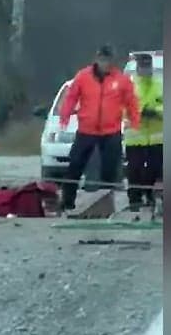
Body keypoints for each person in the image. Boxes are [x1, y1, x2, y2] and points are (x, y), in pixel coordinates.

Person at [56, 44, 141, 212]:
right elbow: (71, 97)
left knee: (109, 170)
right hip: (86, 130)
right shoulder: (83, 76)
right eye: (102, 59)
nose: (104, 63)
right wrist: (64, 116)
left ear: (112, 61)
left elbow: (131, 102)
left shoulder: (121, 80)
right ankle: (67, 201)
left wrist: (135, 121)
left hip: (111, 131)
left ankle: (105, 204)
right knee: (75, 165)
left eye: (107, 59)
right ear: (96, 59)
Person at [124, 53, 163, 214]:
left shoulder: (161, 85)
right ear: (137, 68)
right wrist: (139, 112)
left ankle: (150, 195)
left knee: (155, 169)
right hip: (135, 137)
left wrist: (156, 112)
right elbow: (122, 109)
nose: (145, 69)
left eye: (148, 66)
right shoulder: (129, 87)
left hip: (157, 137)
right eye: (142, 66)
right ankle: (135, 199)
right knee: (134, 170)